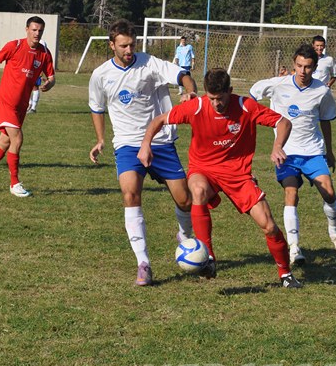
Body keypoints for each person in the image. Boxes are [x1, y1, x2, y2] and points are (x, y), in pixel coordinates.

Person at [138, 68, 303, 289]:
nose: (216, 103)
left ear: (230, 91)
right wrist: (145, 145)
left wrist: (277, 146)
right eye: (211, 98)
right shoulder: (197, 107)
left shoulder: (245, 106)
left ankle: (285, 274)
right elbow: (159, 120)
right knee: (197, 191)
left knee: (269, 226)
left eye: (220, 98)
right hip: (204, 170)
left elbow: (284, 123)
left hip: (239, 175)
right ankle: (208, 258)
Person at [89, 19, 197, 286]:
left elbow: (182, 73)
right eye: (123, 45)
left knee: (185, 200)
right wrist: (101, 139)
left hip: (160, 142)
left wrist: (191, 91)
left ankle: (184, 235)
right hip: (127, 144)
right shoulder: (100, 75)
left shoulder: (149, 64)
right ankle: (143, 263)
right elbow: (97, 108)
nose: (129, 50)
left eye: (132, 45)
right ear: (111, 45)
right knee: (130, 193)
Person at [250, 44, 336, 263]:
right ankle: (294, 247)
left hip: (313, 151)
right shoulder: (278, 84)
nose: (303, 71)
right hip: (286, 153)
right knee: (291, 194)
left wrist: (329, 151)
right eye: (299, 66)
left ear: (315, 67)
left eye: (308, 67)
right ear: (294, 63)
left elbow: (325, 121)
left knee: (329, 193)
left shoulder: (322, 91)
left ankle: (335, 232)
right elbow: (251, 96)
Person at [0, 16, 55, 197]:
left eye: (40, 30)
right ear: (27, 30)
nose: (37, 33)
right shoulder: (14, 46)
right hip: (6, 101)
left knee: (5, 142)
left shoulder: (45, 53)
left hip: (21, 106)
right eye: (34, 29)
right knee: (17, 139)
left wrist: (49, 84)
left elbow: (51, 76)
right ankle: (14, 183)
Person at [27, 39, 50, 114]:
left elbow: (44, 59)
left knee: (35, 87)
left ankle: (33, 108)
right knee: (26, 87)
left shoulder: (42, 44)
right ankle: (29, 105)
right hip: (29, 69)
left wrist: (42, 72)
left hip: (36, 68)